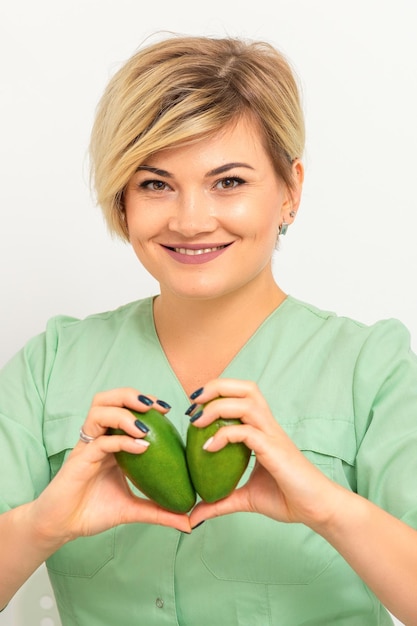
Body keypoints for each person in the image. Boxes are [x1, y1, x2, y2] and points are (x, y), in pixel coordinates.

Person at [0, 33, 416, 626]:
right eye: (155, 183)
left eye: (229, 182)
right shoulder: (50, 365)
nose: (190, 220)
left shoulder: (371, 368)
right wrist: (41, 526)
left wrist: (329, 507)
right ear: (122, 200)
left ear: (290, 190)